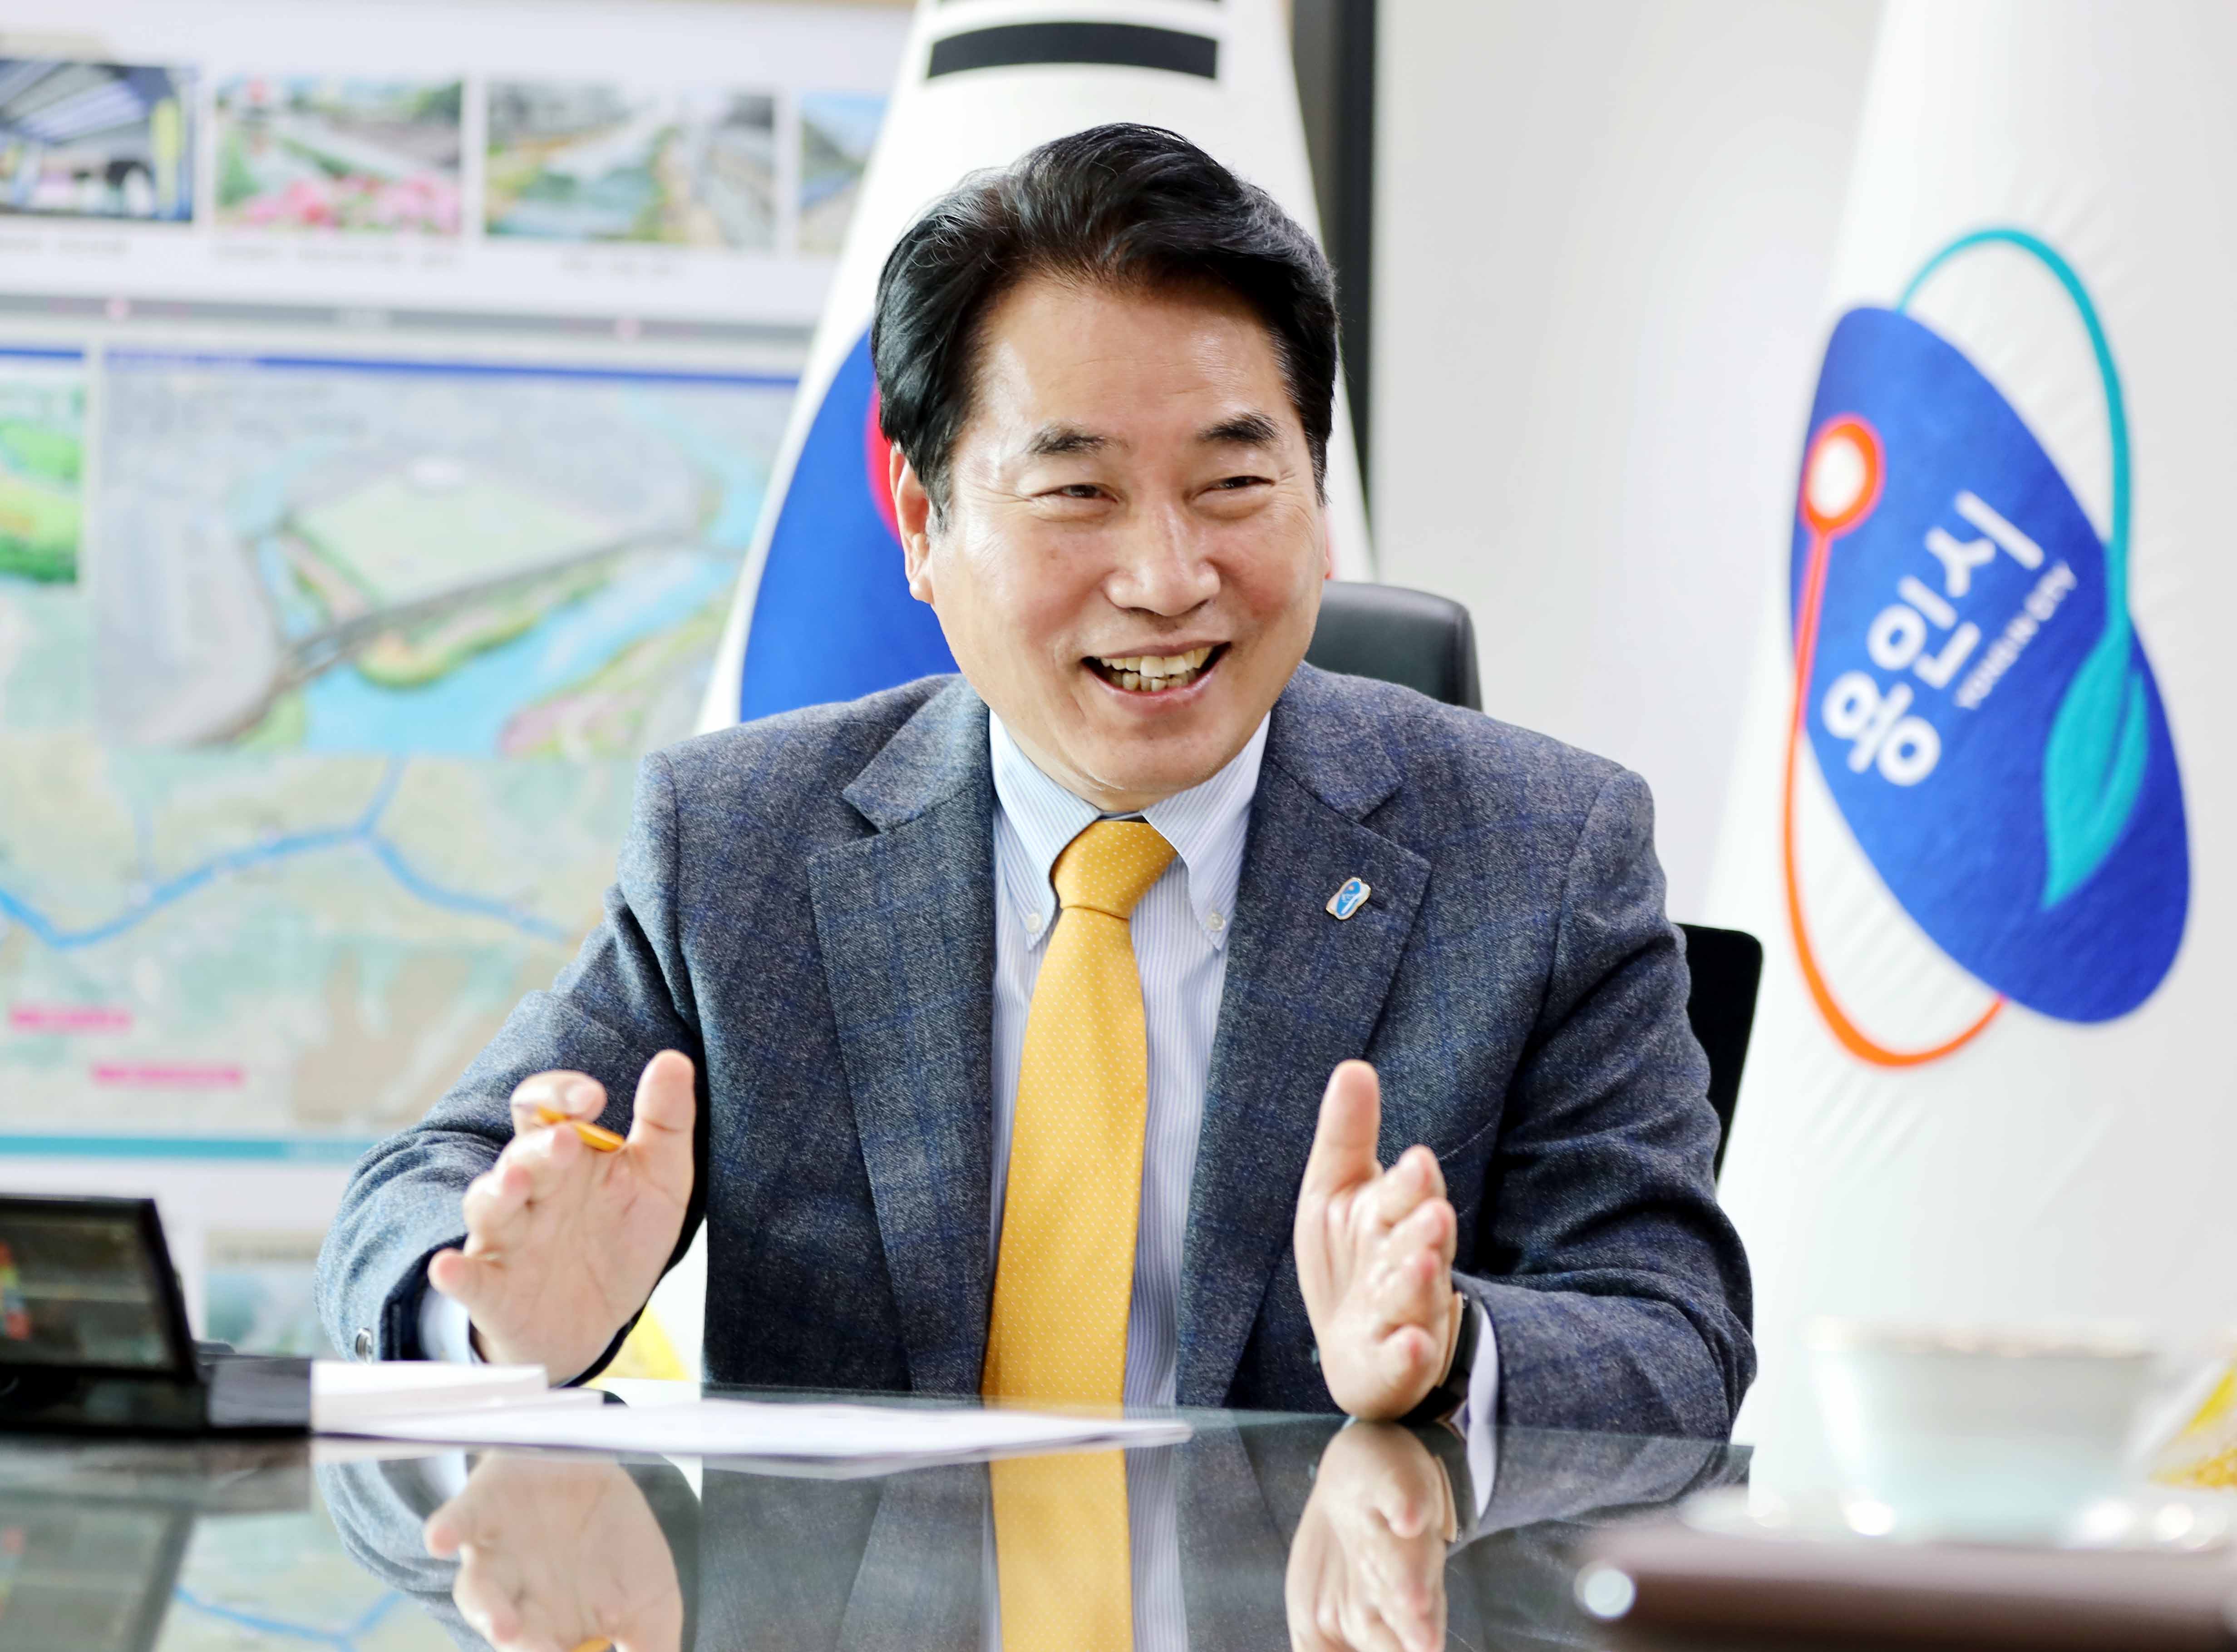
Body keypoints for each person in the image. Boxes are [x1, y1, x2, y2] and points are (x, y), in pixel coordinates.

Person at [316, 122, 1751, 1440]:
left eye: (1234, 486)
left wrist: (1452, 1351)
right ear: (922, 523)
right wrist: (494, 1316)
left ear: (1318, 500)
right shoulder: (742, 845)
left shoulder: (1543, 855)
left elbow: (1675, 1336)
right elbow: (413, 1200)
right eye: (1077, 492)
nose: (1167, 578)